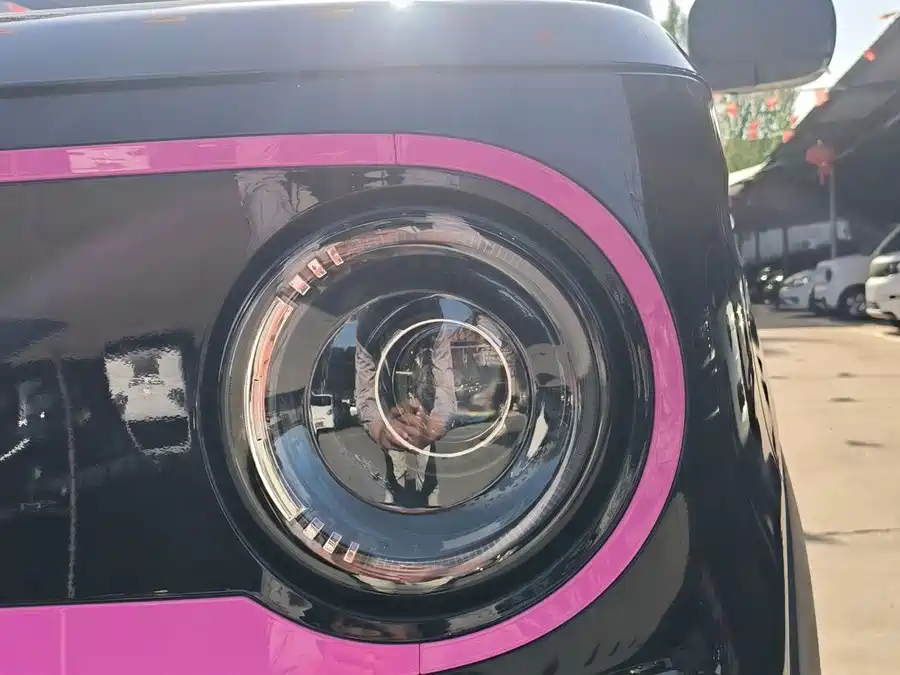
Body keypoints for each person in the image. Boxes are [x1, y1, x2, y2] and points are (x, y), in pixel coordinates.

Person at [354, 296, 457, 508]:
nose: (404, 338)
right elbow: (364, 388)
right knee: (394, 466)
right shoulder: (367, 327)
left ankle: (429, 506)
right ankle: (394, 506)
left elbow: (445, 382)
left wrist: (435, 424)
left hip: (424, 408)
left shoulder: (436, 323)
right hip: (390, 412)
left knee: (427, 470)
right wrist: (380, 429)